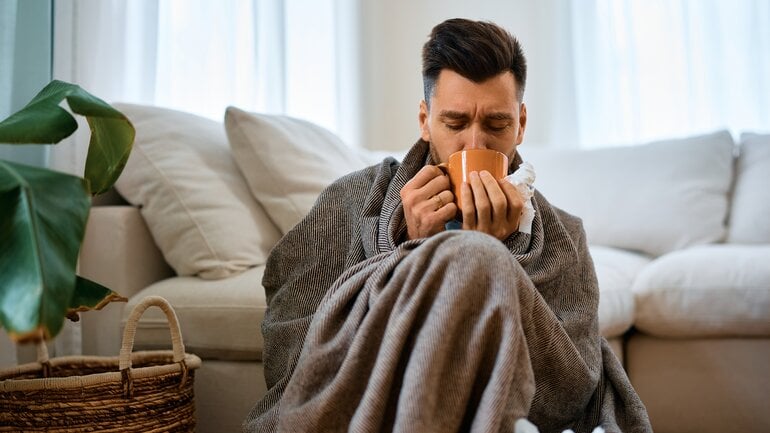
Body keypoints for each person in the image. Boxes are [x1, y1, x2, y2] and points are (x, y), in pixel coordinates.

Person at [244, 18, 652, 433]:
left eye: (496, 125)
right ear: (425, 120)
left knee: (476, 255)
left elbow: (568, 396)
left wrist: (496, 259)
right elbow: (291, 361)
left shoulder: (564, 237)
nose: (475, 146)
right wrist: (411, 253)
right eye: (455, 124)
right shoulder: (347, 203)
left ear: (521, 124)